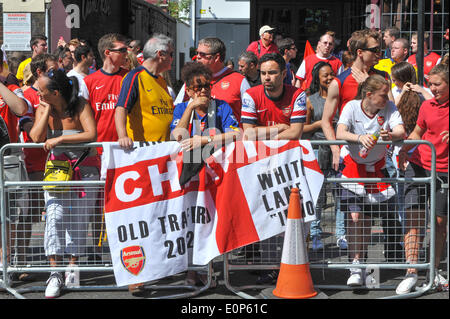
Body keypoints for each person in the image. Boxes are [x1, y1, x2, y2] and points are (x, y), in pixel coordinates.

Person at [29, 69, 99, 298]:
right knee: (54, 218)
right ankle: (54, 271)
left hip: (84, 171)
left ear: (56, 92)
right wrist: (47, 110)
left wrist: (60, 138)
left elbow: (91, 133)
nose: (37, 94)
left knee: (79, 221)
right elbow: (36, 137)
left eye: (41, 91)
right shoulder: (44, 106)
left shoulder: (80, 105)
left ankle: (72, 265)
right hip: (57, 173)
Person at [115, 34, 175, 296]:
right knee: (139, 219)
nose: (173, 58)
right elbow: (121, 108)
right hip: (141, 159)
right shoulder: (135, 77)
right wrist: (122, 135)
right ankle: (135, 273)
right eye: (171, 54)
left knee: (159, 216)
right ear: (160, 54)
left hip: (163, 159)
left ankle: (156, 268)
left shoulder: (162, 81)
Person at [336, 74, 405, 286]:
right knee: (354, 217)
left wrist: (391, 135)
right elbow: (340, 131)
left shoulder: (389, 108)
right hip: (352, 168)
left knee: (366, 220)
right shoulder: (351, 107)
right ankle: (355, 267)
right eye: (383, 96)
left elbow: (401, 130)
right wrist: (358, 138)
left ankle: (362, 265)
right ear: (369, 95)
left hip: (377, 169)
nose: (387, 99)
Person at [396, 63, 449, 294]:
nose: (432, 88)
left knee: (439, 223)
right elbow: (418, 131)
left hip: (444, 170)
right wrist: (405, 148)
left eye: (438, 84)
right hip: (419, 164)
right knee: (414, 216)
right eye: (431, 84)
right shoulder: (427, 105)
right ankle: (412, 270)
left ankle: (434, 269)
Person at [322, 28, 389, 172]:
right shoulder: (339, 82)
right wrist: (334, 149)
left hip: (379, 155)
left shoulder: (384, 77)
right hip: (349, 155)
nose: (379, 53)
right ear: (360, 52)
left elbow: (392, 108)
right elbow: (326, 121)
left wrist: (369, 83)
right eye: (375, 49)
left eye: (380, 48)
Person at [302, 61, 347, 251]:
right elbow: (302, 129)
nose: (329, 78)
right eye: (325, 75)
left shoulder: (341, 98)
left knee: (341, 195)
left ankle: (341, 234)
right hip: (318, 150)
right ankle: (315, 234)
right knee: (317, 197)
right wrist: (321, 124)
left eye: (332, 74)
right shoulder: (310, 99)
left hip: (340, 150)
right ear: (317, 78)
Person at [174, 37, 250, 123]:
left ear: (216, 57)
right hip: (196, 134)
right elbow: (177, 111)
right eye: (197, 53)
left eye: (202, 54)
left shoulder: (239, 80)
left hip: (229, 133)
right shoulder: (192, 80)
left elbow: (251, 114)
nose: (197, 57)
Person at [0, 52, 29, 273]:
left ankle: (5, 263)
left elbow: (20, 109)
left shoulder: (9, 90)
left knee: (7, 213)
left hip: (6, 159)